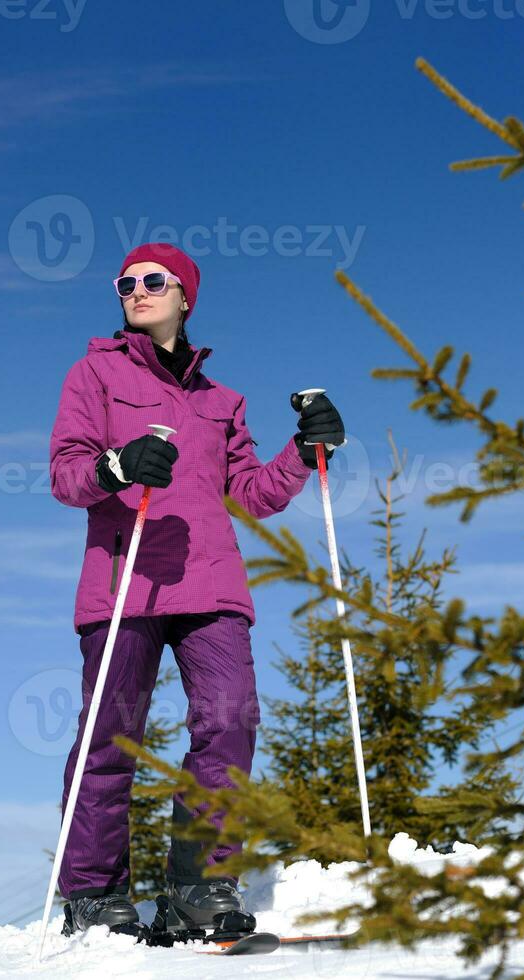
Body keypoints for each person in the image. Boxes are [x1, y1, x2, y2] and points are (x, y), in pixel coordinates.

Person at [48, 242, 345, 935]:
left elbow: (251, 492)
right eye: (126, 283)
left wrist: (303, 453)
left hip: (211, 585)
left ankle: (199, 885)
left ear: (186, 297)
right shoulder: (94, 374)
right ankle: (94, 894)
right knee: (110, 735)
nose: (137, 290)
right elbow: (66, 473)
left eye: (154, 280)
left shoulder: (221, 401)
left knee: (230, 718)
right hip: (125, 578)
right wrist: (117, 465)